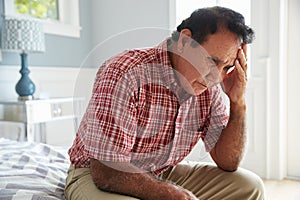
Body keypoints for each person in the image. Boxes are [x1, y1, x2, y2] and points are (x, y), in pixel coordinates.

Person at [65, 6, 265, 200]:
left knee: (250, 186)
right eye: (211, 61)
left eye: (227, 67)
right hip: (95, 173)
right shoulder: (124, 72)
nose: (215, 77)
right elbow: (106, 171)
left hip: (160, 171)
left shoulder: (209, 87)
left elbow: (228, 162)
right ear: (184, 42)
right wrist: (168, 194)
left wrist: (237, 101)